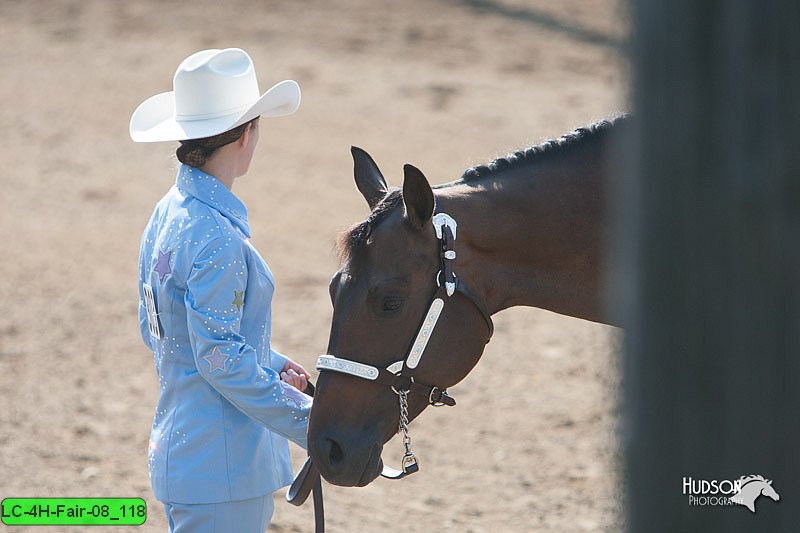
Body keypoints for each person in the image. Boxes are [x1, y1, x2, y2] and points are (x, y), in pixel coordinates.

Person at [130, 48, 313, 532]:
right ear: (247, 133)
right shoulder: (218, 237)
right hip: (223, 467)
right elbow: (221, 361)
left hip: (185, 453)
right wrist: (312, 420)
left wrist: (268, 362)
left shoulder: (167, 213)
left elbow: (168, 333)